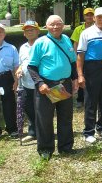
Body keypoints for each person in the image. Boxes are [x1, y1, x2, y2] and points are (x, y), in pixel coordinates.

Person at [27, 15, 77, 160]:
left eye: (58, 24)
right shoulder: (40, 43)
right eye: (52, 24)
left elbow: (73, 62)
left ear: (63, 25)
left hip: (65, 84)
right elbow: (31, 66)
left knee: (66, 117)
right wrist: (40, 83)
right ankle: (45, 149)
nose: (55, 27)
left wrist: (74, 79)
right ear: (46, 27)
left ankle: (66, 147)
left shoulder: (67, 40)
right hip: (46, 86)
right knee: (44, 119)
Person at [76, 7, 102, 144]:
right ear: (94, 18)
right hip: (92, 67)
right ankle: (89, 131)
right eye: (99, 17)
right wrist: (80, 74)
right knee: (91, 100)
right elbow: (80, 55)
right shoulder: (86, 33)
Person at [15, 20, 41, 142]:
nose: (29, 32)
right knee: (28, 108)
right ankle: (33, 132)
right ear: (24, 34)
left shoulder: (43, 44)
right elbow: (22, 63)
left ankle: (43, 132)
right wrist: (19, 69)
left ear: (38, 31)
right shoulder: (22, 47)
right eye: (27, 30)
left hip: (40, 83)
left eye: (32, 30)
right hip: (26, 83)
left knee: (41, 108)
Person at [70, 7, 94, 108]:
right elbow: (75, 44)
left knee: (92, 78)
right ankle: (80, 99)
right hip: (81, 58)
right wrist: (76, 57)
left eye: (91, 15)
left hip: (92, 58)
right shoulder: (78, 29)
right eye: (87, 15)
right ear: (84, 16)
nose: (89, 16)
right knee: (81, 77)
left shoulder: (97, 28)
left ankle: (92, 98)